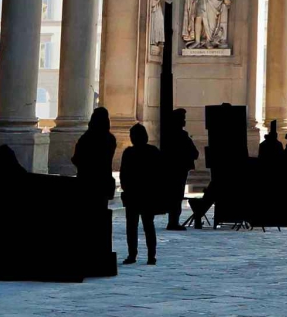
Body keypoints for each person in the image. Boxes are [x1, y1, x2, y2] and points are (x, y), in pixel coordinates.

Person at [119, 123, 161, 265]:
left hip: (133, 194)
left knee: (132, 226)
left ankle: (132, 254)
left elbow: (123, 173)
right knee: (148, 225)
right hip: (147, 194)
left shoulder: (129, 153)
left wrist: (126, 188)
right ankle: (151, 256)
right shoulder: (153, 151)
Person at [71, 107, 117, 203]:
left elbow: (76, 158)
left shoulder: (86, 138)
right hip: (104, 180)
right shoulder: (111, 139)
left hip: (86, 180)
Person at [162, 107, 198, 230]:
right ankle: (173, 221)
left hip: (174, 169)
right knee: (176, 196)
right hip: (179, 169)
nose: (184, 121)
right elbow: (195, 153)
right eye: (182, 118)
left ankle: (173, 220)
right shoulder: (182, 136)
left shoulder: (168, 136)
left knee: (175, 195)